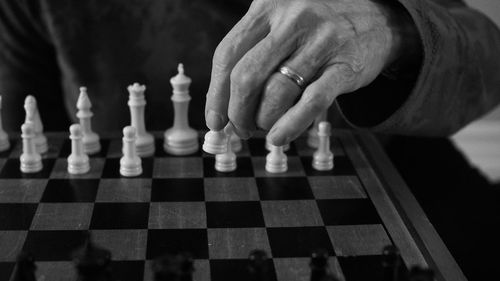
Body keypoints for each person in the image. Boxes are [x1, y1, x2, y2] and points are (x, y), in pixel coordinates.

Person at [0, 0, 499, 145]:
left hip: (362, 196)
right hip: (118, 213)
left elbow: (489, 61)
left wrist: (395, 28)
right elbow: (27, 144)